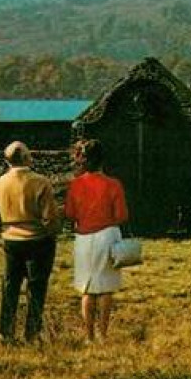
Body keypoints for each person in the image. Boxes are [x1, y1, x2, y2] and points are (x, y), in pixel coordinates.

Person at [0, 141, 61, 343]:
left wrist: (4, 229)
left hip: (11, 240)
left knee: (10, 286)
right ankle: (32, 333)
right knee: (36, 287)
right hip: (38, 240)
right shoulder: (41, 182)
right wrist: (50, 233)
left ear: (6, 160)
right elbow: (50, 218)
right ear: (27, 158)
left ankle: (5, 332)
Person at [64, 138, 129, 342]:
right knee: (106, 288)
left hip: (84, 238)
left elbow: (70, 213)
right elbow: (121, 216)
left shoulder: (76, 184)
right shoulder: (114, 184)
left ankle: (89, 335)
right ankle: (103, 334)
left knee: (87, 288)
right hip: (107, 236)